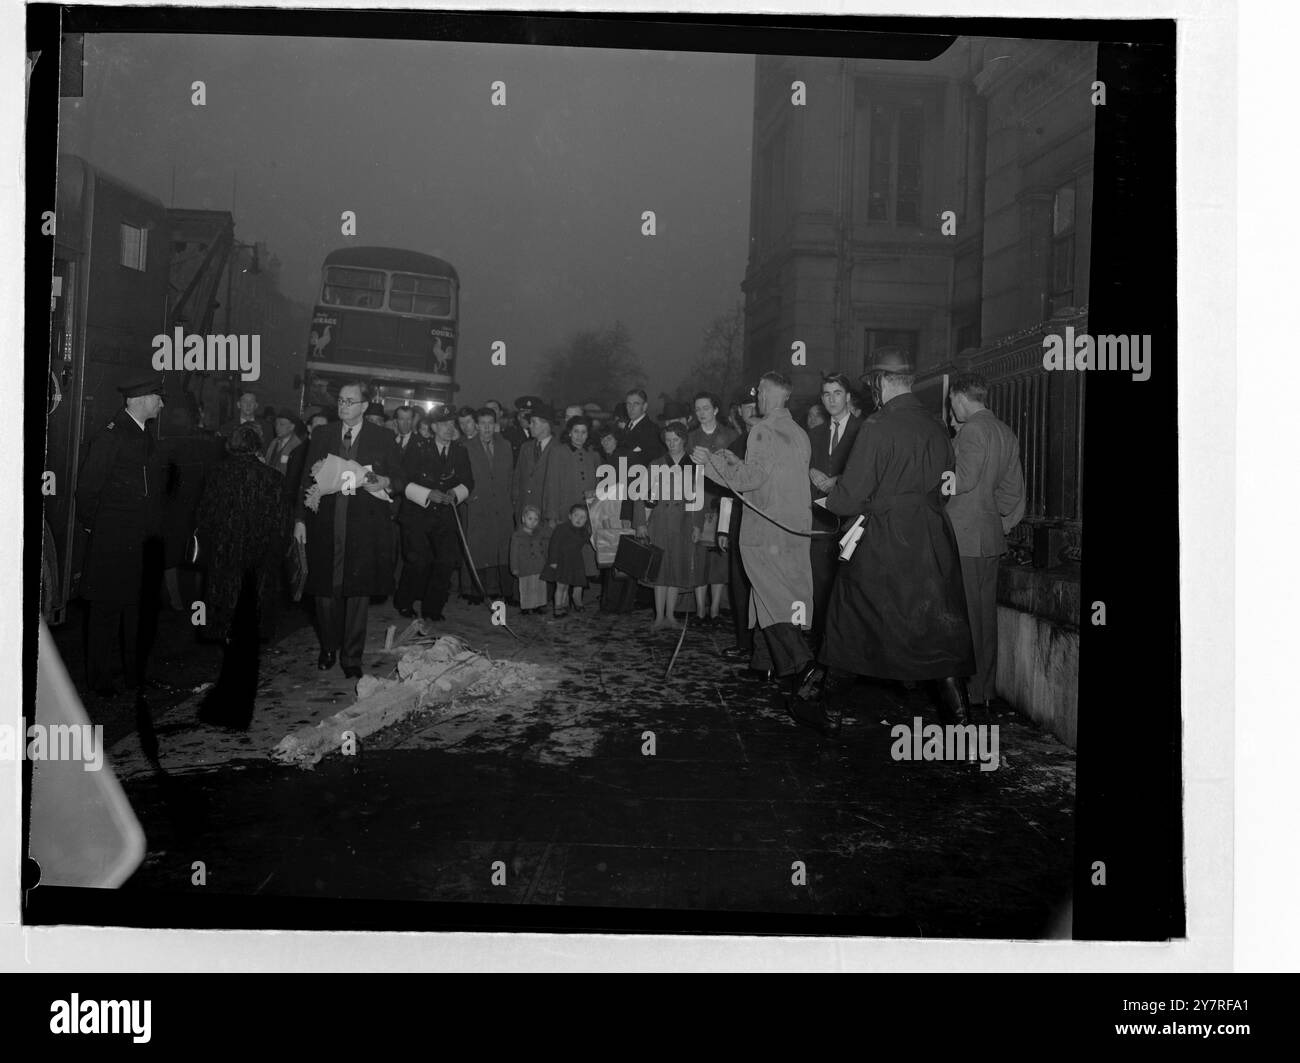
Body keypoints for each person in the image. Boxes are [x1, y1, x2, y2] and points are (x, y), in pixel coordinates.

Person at [793, 348, 976, 736]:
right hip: (931, 540)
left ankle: (830, 713)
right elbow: (946, 488)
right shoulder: (936, 426)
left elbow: (849, 495)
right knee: (937, 633)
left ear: (879, 383)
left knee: (852, 620)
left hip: (884, 541)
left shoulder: (876, 426)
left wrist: (834, 499)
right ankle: (963, 730)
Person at [696, 372, 814, 683]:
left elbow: (751, 479)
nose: (757, 396)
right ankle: (763, 663)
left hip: (766, 529)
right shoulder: (799, 432)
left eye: (760, 391)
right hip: (794, 529)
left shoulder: (762, 430)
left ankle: (805, 667)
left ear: (770, 393)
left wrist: (711, 463)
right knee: (774, 594)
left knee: (773, 597)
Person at [293, 381, 406, 679]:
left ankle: (352, 656)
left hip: (363, 526)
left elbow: (400, 478)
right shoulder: (323, 434)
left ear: (365, 406)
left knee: (357, 593)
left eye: (350, 401)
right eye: (341, 401)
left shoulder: (382, 437)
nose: (343, 406)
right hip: (326, 523)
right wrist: (300, 520)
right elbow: (305, 480)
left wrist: (385, 481)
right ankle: (328, 646)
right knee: (324, 592)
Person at [75, 373, 168, 697]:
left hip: (139, 542)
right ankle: (99, 681)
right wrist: (98, 528)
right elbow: (87, 489)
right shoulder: (112, 436)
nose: (161, 403)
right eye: (158, 397)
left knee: (135, 611)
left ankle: (134, 675)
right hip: (113, 542)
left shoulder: (144, 434)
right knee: (105, 613)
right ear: (141, 399)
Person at [195, 425, 289, 729]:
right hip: (258, 566)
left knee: (227, 620)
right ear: (257, 447)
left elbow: (205, 519)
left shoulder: (217, 474)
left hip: (226, 562)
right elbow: (281, 527)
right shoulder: (274, 479)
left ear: (231, 446)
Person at [946, 371, 1026, 713]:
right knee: (983, 617)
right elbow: (1012, 493)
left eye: (951, 400)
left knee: (965, 616)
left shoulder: (973, 429)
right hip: (988, 537)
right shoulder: (1004, 431)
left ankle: (969, 689)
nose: (951, 406)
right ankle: (983, 689)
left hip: (964, 537)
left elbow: (961, 480)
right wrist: (999, 523)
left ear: (962, 398)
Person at [394, 406, 473, 621]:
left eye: (452, 424)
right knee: (418, 562)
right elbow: (402, 481)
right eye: (444, 424)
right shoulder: (417, 448)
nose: (449, 429)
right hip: (416, 515)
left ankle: (433, 608)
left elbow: (468, 482)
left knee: (445, 562)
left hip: (445, 517)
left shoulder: (460, 451)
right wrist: (429, 493)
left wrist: (454, 493)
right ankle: (404, 602)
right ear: (434, 427)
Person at [806, 372, 861, 652]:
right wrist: (809, 470)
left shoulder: (863, 431)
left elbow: (869, 473)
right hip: (819, 524)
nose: (831, 399)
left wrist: (838, 478)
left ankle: (845, 650)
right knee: (818, 588)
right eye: (826, 394)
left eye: (837, 393)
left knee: (848, 591)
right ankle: (820, 649)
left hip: (851, 524)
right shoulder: (813, 435)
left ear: (848, 397)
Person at [640, 421, 705, 630]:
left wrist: (697, 525)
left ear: (684, 439)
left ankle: (671, 615)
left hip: (683, 522)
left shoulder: (693, 465)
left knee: (676, 569)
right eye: (667, 440)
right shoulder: (657, 463)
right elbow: (645, 496)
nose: (671, 444)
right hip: (659, 521)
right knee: (659, 571)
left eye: (675, 439)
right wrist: (641, 523)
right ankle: (659, 617)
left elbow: (698, 498)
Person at [716, 386, 760, 663]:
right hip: (739, 523)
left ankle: (766, 647)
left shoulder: (773, 442)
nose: (752, 411)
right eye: (746, 407)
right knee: (740, 586)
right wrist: (722, 527)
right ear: (740, 413)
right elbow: (726, 490)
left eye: (756, 405)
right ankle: (745, 642)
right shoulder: (736, 444)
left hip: (766, 524)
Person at [685, 391, 737, 625]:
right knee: (698, 556)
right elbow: (686, 474)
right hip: (698, 500)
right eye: (697, 409)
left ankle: (715, 609)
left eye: (706, 408)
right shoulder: (691, 437)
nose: (702, 413)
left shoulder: (730, 435)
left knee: (718, 557)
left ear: (716, 410)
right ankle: (699, 611)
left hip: (721, 499)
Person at [465, 406, 516, 602]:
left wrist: (509, 500)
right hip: (479, 505)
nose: (486, 428)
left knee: (501, 549)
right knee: (479, 549)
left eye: (490, 424)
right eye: (482, 424)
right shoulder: (467, 447)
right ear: (477, 426)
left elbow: (510, 476)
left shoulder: (505, 446)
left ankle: (500, 590)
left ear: (496, 425)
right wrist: (471, 497)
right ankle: (477, 591)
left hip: (502, 506)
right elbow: (463, 477)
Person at [512, 404, 560, 525]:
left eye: (533, 422)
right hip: (523, 513)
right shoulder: (525, 447)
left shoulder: (559, 450)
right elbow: (517, 477)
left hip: (544, 515)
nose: (529, 425)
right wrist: (516, 503)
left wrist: (552, 516)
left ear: (545, 425)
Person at [544, 502, 593, 617]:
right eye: (576, 515)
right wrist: (553, 561)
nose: (579, 519)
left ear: (586, 520)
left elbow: (589, 540)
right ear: (570, 516)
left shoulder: (583, 531)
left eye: (582, 517)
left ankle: (576, 603)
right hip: (563, 561)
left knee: (578, 583)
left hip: (576, 562)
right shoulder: (561, 528)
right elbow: (554, 545)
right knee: (562, 586)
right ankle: (558, 607)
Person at [549, 415, 601, 516]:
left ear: (588, 434)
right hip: (565, 510)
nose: (579, 436)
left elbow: (597, 486)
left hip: (588, 511)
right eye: (576, 431)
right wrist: (552, 515)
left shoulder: (594, 455)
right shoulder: (558, 452)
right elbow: (552, 486)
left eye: (583, 432)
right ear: (570, 433)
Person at [510, 505, 550, 614]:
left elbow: (545, 547)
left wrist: (546, 561)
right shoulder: (517, 536)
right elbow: (513, 553)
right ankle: (527, 606)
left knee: (540, 586)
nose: (533, 522)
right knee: (526, 586)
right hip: (524, 566)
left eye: (536, 519)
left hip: (539, 565)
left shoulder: (540, 533)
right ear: (523, 519)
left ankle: (540, 604)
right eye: (530, 518)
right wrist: (514, 567)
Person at [264, 410, 303, 474]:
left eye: (282, 424)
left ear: (292, 427)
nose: (277, 427)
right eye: (276, 424)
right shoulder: (274, 442)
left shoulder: (297, 445)